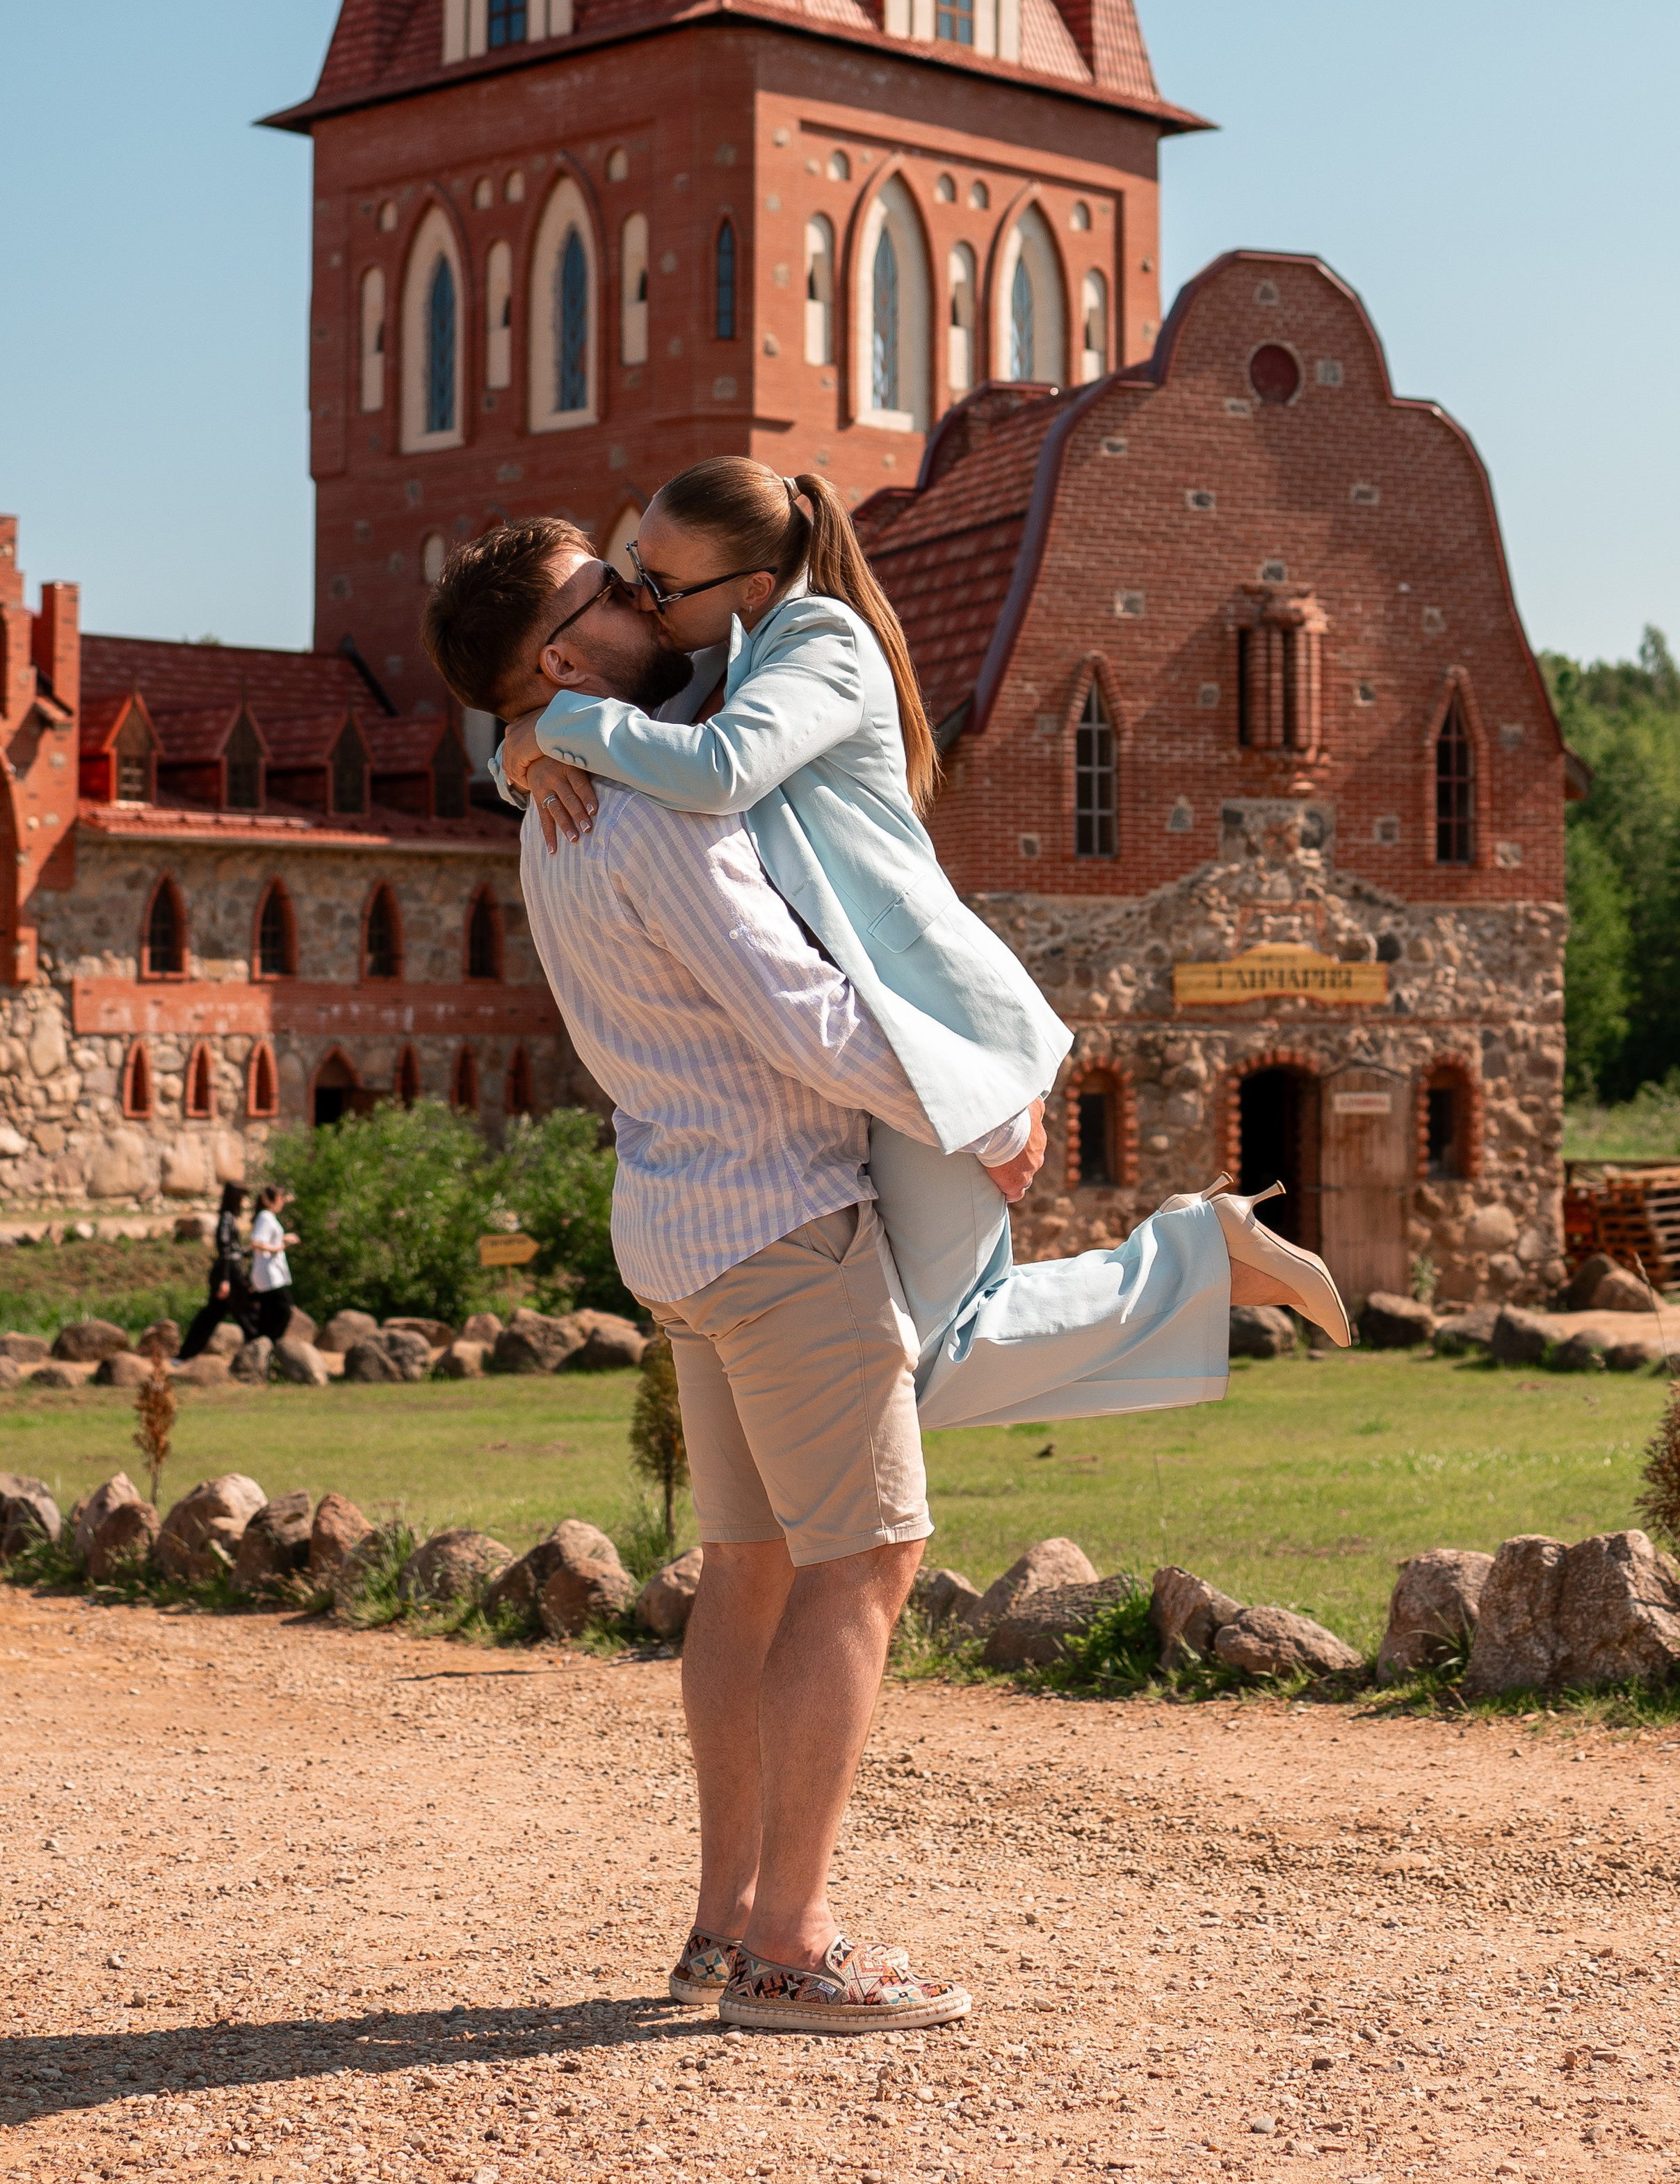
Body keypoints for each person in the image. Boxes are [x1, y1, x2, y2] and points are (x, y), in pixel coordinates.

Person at [419, 522, 1343, 2036]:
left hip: (677, 1222)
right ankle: (790, 1945)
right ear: (567, 658)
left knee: (753, 1570)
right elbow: (798, 1012)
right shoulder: (647, 800)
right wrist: (972, 1110)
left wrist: (524, 736)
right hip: (782, 1220)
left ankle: (725, 1929)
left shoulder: (558, 800)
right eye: (611, 587)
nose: (643, 595)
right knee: (865, 1563)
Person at [488, 464, 1348, 1413]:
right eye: (634, 574)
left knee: (938, 1352)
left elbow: (719, 770)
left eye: (659, 584)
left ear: (752, 587)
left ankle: (1205, 1254)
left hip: (930, 1025)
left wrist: (561, 722)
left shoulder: (819, 640)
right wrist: (520, 744)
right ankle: (1206, 1257)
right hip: (886, 1032)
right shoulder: (737, 648)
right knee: (922, 1347)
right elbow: (622, 721)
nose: (643, 602)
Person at [177, 1182, 252, 1360]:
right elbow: (225, 1251)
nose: (245, 1202)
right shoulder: (227, 1219)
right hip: (230, 1277)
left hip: (230, 1275)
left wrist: (253, 1250)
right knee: (246, 1315)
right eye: (243, 1197)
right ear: (236, 1199)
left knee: (211, 1318)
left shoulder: (229, 1219)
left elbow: (233, 1250)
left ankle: (184, 1355)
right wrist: (225, 1281)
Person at [246, 1186, 298, 1345]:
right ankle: (269, 1344)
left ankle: (262, 1346)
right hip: (269, 1275)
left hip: (269, 1274)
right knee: (284, 1310)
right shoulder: (265, 1217)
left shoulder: (267, 1217)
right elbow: (255, 1243)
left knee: (268, 1313)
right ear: (270, 1200)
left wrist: (283, 1239)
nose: (281, 1201)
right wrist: (280, 1246)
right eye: (279, 1198)